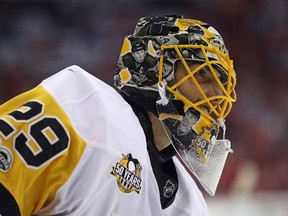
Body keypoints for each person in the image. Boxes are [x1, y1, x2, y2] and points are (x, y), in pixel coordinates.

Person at [0, 15, 237, 216]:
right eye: (203, 73)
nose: (217, 95)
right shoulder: (82, 108)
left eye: (223, 84)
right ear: (154, 66)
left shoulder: (189, 204)